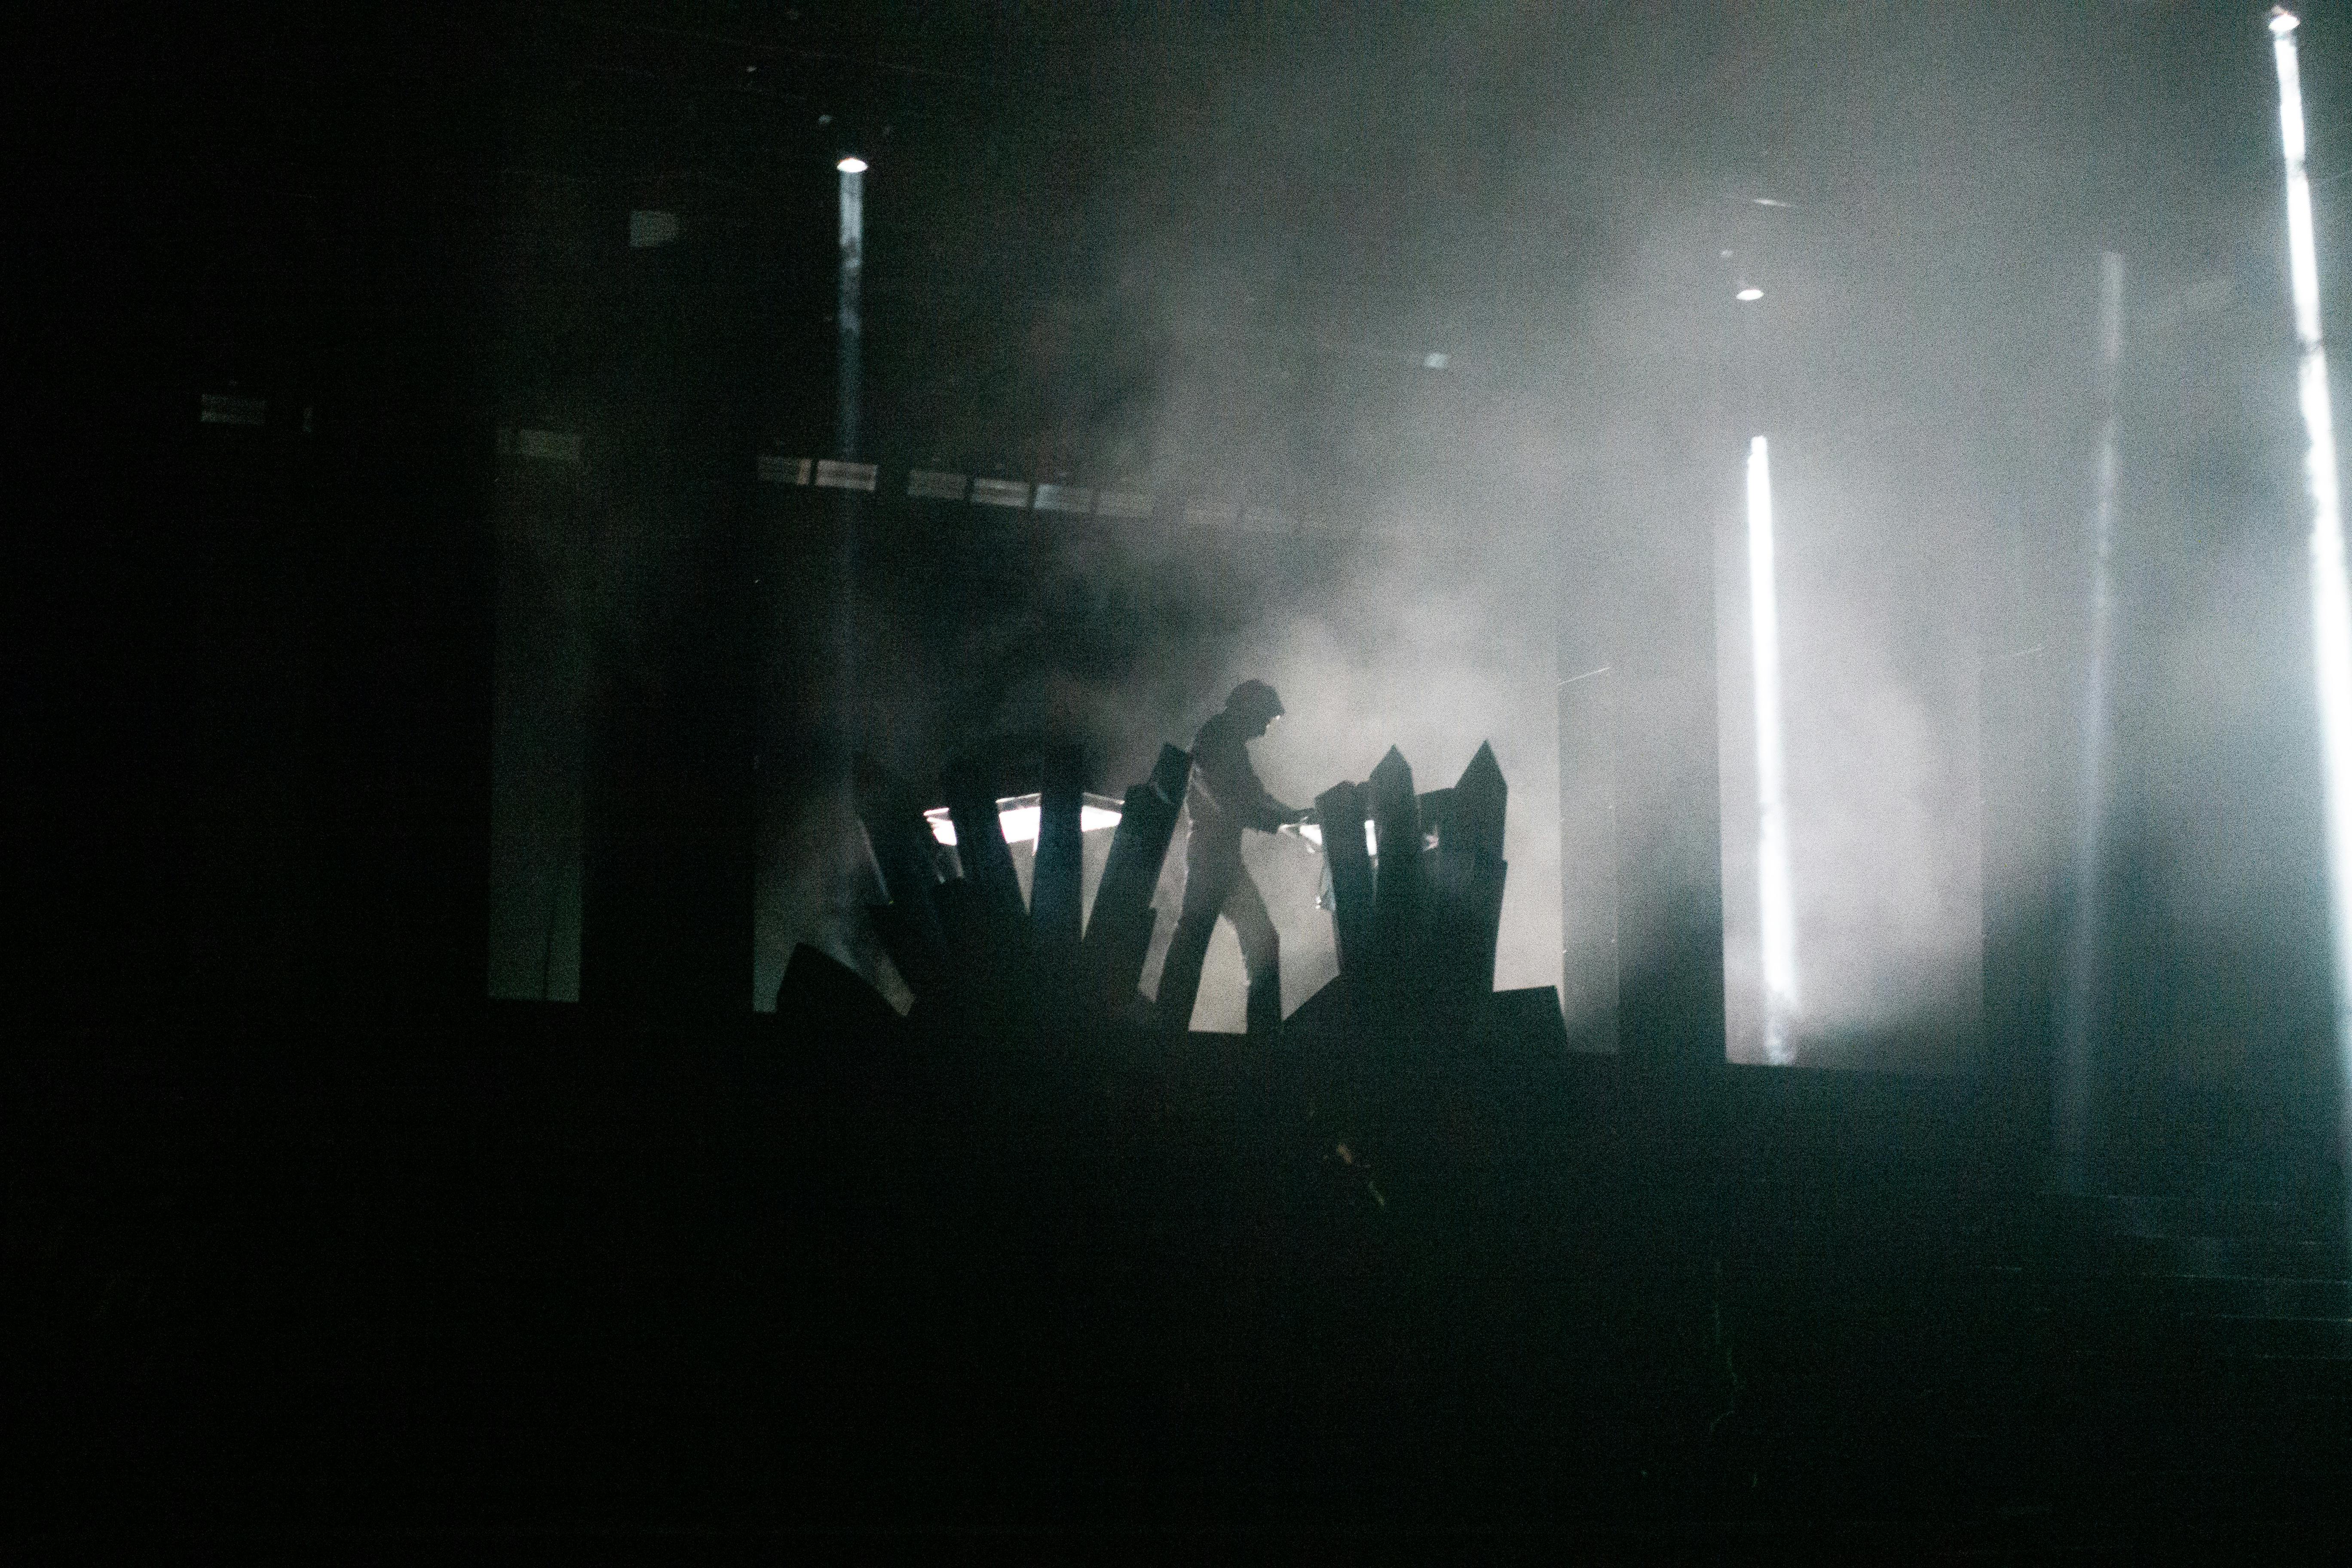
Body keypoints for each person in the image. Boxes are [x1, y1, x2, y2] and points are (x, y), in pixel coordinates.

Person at [1156, 679, 1309, 1035]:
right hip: (1213, 860)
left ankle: (1168, 1026)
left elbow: (1252, 795)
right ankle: (1257, 1037)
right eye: (1265, 719)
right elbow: (1233, 803)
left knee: (1202, 940)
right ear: (1249, 710)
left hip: (1218, 858)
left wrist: (1292, 817)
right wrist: (1285, 822)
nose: (1265, 729)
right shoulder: (1217, 740)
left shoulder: (1223, 739)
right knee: (1210, 940)